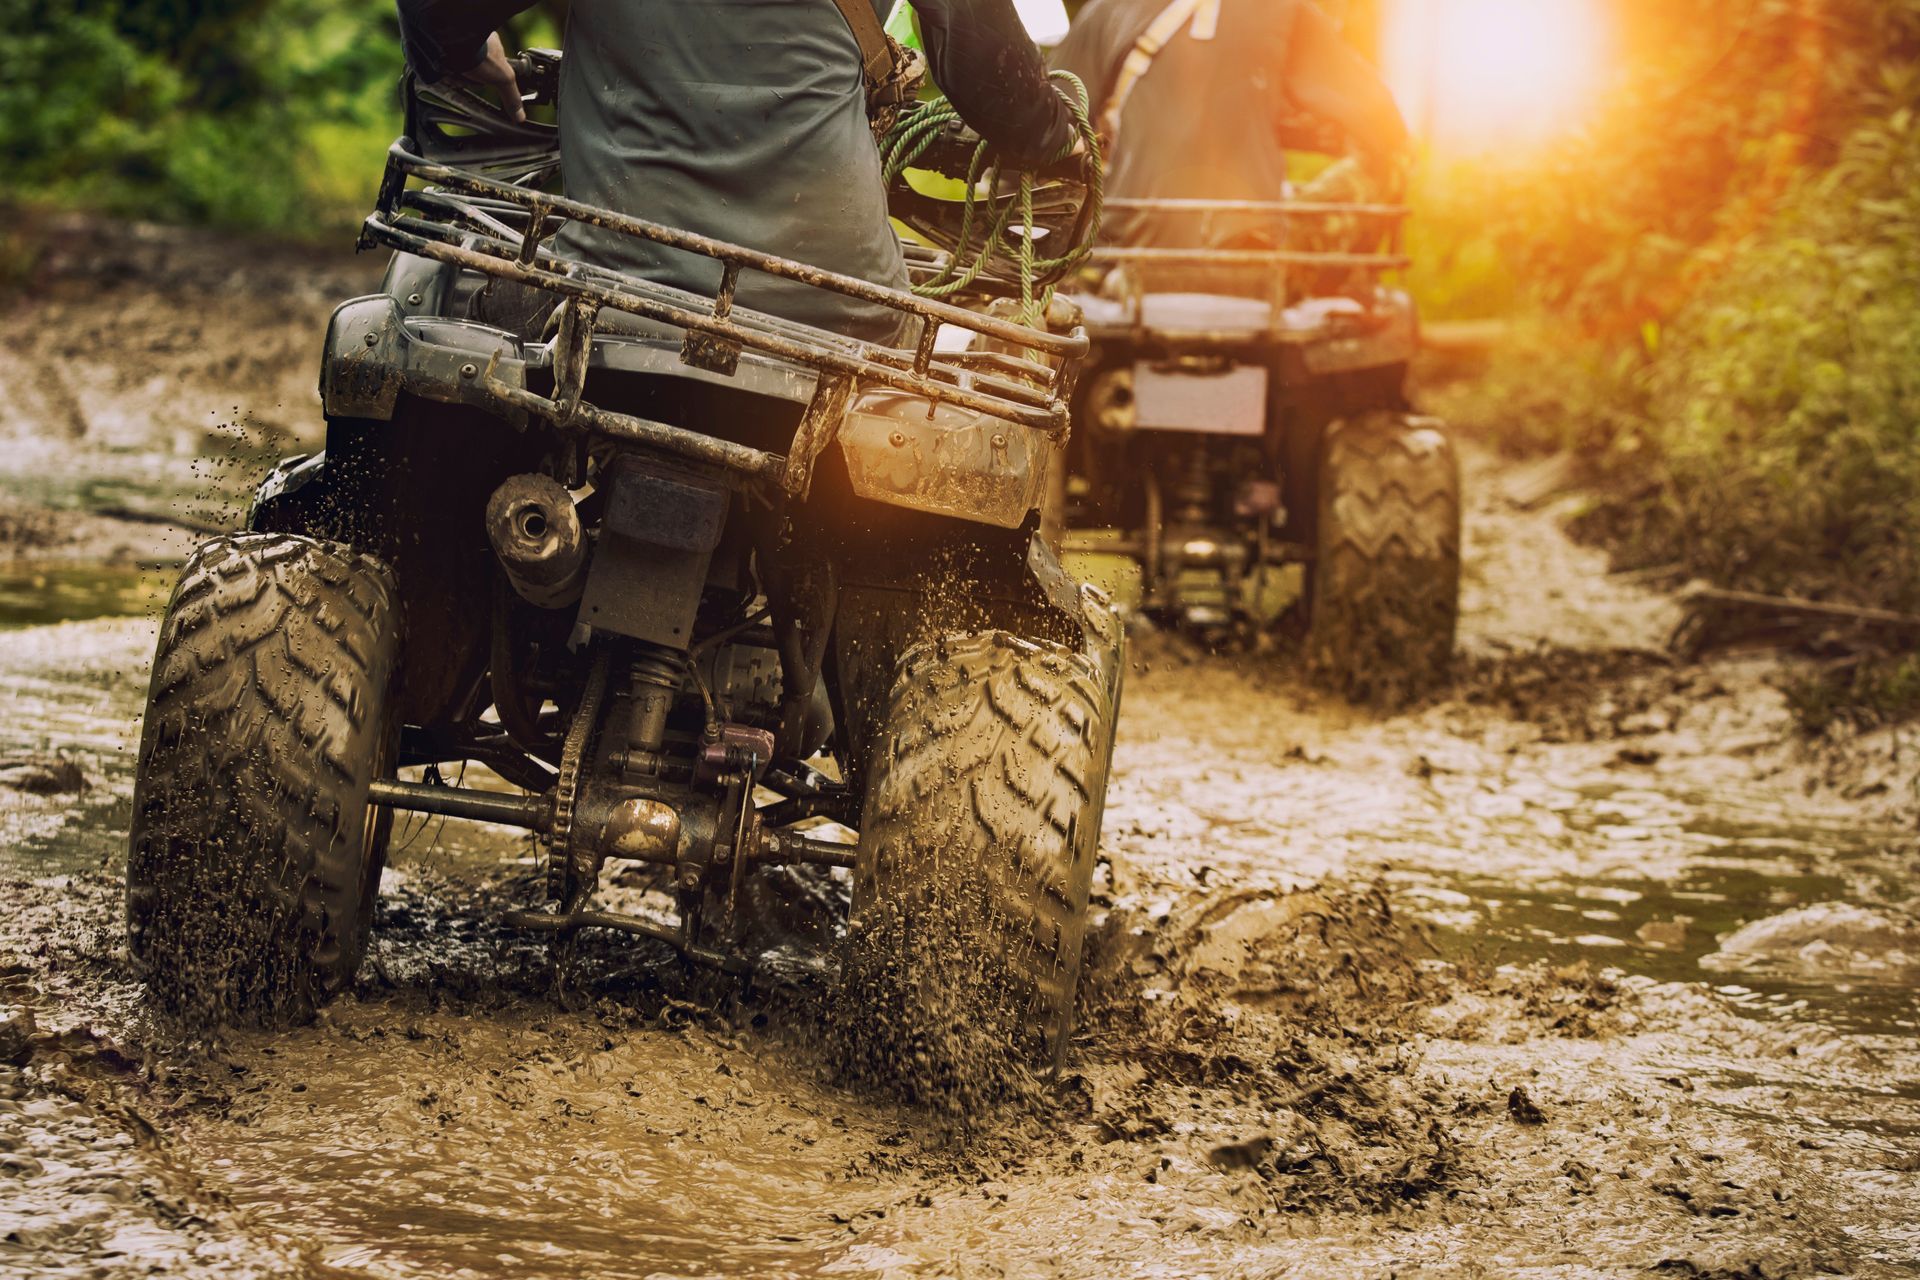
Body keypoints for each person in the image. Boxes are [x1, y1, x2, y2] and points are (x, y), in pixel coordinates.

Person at [395, 0, 1074, 343]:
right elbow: (994, 83)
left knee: (428, 298)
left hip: (615, 293)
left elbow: (436, 12)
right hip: (841, 310)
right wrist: (1058, 136)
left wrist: (463, 48)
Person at [1051, 0, 1411, 264]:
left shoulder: (1107, 10)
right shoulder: (1284, 11)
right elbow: (1379, 119)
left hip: (1122, 249)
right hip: (1247, 250)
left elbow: (1052, 129)